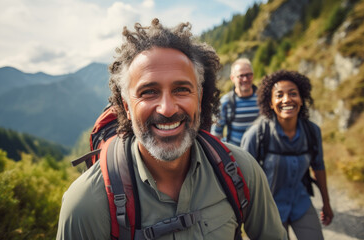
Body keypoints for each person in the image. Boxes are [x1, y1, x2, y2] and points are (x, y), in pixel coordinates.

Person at [56, 19, 287, 240]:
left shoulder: (242, 171)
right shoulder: (86, 204)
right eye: (148, 92)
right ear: (126, 108)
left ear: (199, 98)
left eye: (181, 89)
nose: (167, 109)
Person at [241, 70, 334, 239]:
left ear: (301, 99)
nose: (287, 100)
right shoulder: (257, 134)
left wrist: (326, 203)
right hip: (268, 210)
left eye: (293, 94)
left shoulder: (312, 131)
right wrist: (245, 216)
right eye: (279, 95)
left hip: (301, 203)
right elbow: (244, 178)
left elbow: (318, 166)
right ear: (270, 102)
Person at [212, 58, 260, 146]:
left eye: (248, 75)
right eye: (241, 76)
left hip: (261, 156)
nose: (245, 79)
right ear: (232, 78)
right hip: (237, 156)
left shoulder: (262, 99)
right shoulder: (225, 102)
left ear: (253, 75)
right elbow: (216, 134)